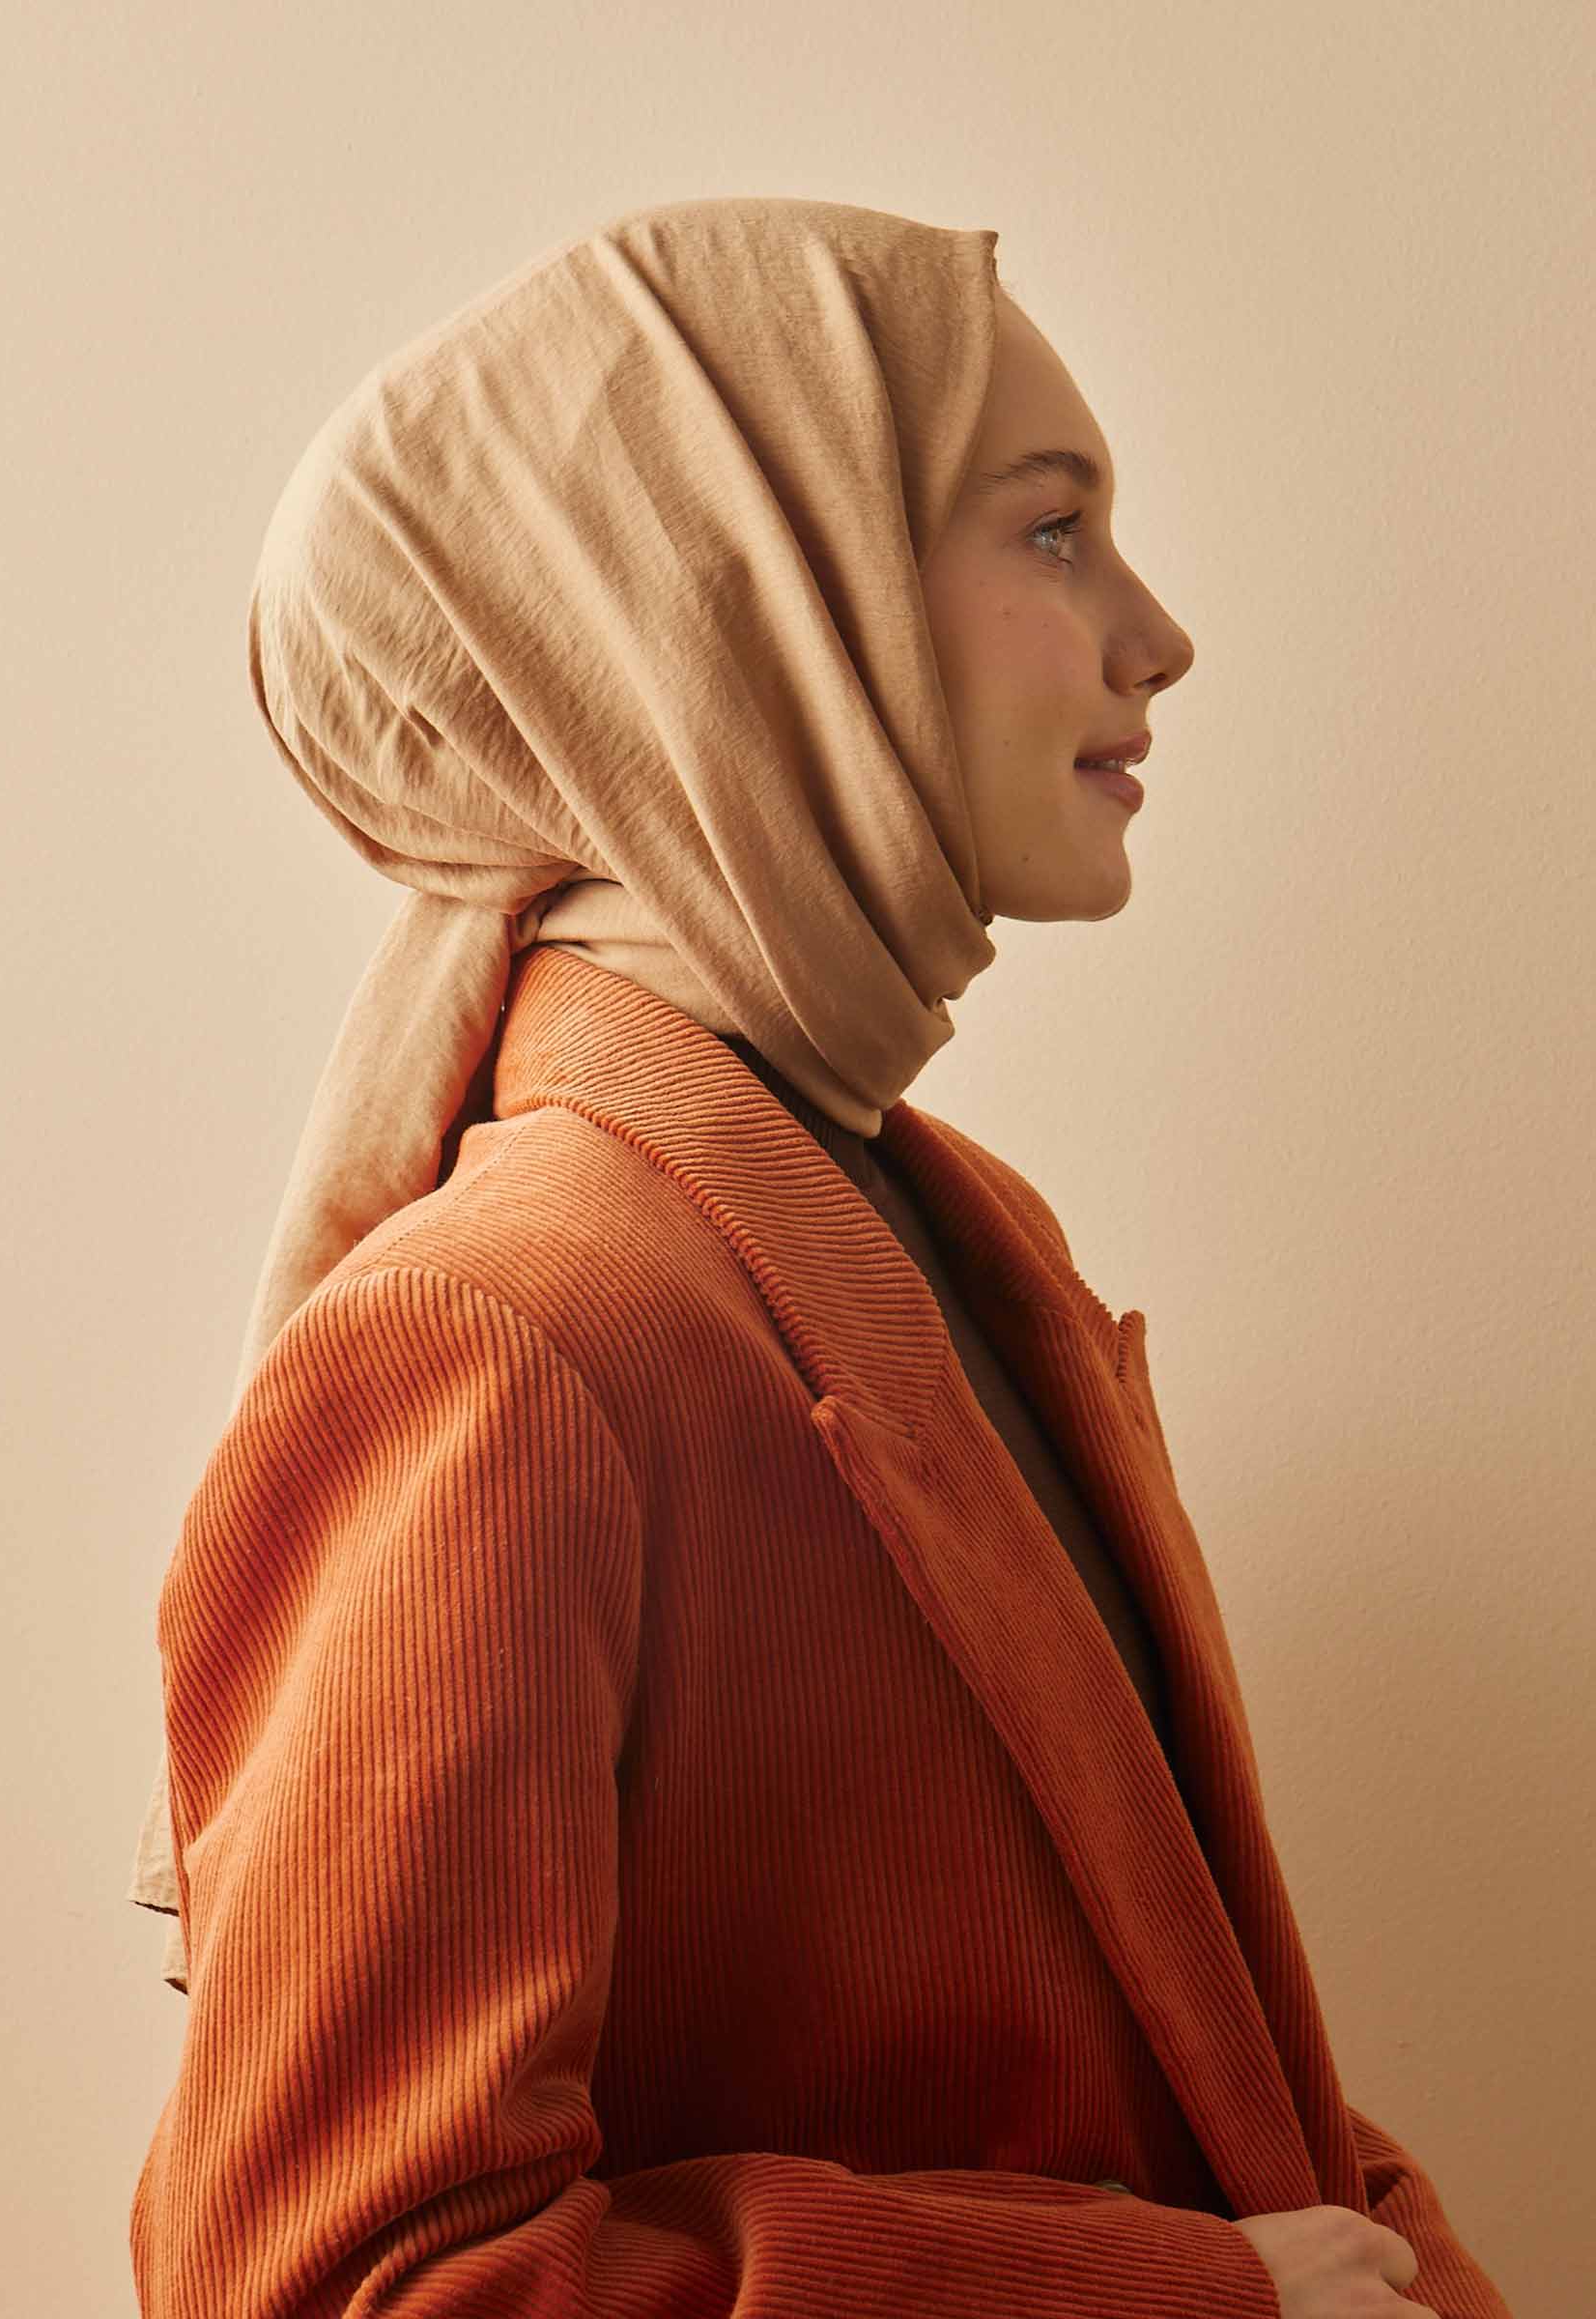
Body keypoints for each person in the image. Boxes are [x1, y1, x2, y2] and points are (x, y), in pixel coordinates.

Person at [127, 194, 1511, 2318]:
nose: (1156, 634)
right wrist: (1174, 2301)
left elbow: (1194, 2093)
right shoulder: (503, 1337)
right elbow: (350, 2283)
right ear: (751, 605)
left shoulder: (964, 1235)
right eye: (1052, 530)